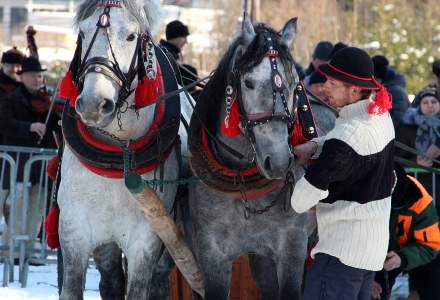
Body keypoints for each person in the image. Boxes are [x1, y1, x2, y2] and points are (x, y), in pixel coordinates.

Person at [291, 47, 395, 300]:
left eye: (333, 83)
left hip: (340, 255)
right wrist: (315, 145)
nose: (325, 87)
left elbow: (299, 201)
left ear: (355, 90)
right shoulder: (380, 116)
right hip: (368, 252)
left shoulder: (345, 137)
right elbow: (348, 144)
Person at [0, 56, 60, 260]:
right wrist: (29, 127)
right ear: (22, 76)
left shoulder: (46, 102)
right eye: (33, 75)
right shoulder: (11, 99)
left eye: (40, 76)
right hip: (18, 164)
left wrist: (58, 117)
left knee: (36, 212)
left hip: (39, 168)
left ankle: (27, 251)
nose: (37, 79)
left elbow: (54, 126)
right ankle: (10, 250)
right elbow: (5, 124)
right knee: (17, 209)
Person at [371, 163, 440, 299]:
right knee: (371, 293)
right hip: (374, 259)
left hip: (415, 254)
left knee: (434, 291)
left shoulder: (419, 199)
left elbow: (431, 245)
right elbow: (352, 243)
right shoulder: (363, 197)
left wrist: (402, 258)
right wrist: (365, 278)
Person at [373, 55, 410, 129]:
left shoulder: (396, 91)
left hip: (392, 136)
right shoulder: (387, 88)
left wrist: (380, 130)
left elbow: (399, 118)